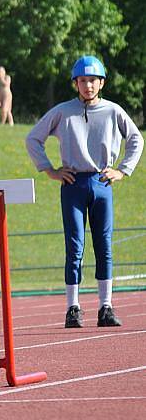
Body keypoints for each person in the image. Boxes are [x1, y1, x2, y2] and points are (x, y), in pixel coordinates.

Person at [25, 55, 143, 329]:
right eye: (82, 80)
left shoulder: (114, 111)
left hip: (102, 184)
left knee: (104, 246)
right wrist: (50, 170)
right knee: (75, 247)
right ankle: (73, 309)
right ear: (75, 83)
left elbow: (136, 138)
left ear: (101, 83)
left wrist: (123, 170)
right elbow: (33, 138)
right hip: (73, 184)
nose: (88, 85)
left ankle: (106, 307)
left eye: (93, 80)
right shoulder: (63, 111)